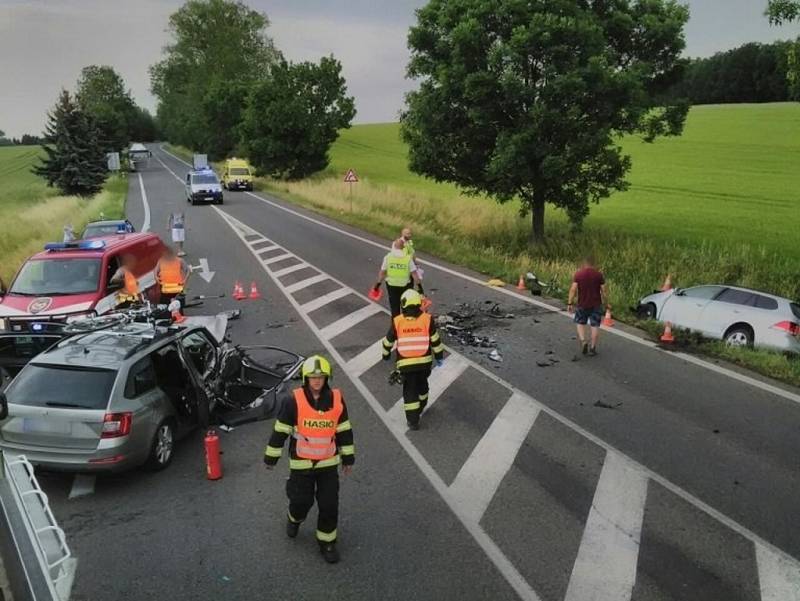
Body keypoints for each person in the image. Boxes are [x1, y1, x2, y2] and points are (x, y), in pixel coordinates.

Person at [264, 356, 355, 564]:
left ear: (326, 378)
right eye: (312, 377)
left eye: (320, 377)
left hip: (328, 465)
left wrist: (348, 458)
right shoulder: (292, 400)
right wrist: (271, 457)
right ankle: (294, 518)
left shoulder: (337, 399)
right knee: (301, 502)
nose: (316, 381)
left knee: (329, 505)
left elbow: (343, 430)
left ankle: (327, 543)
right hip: (301, 466)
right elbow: (281, 431)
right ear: (305, 379)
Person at [380, 289, 445, 430]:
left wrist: (385, 355)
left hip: (405, 365)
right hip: (424, 364)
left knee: (409, 391)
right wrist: (439, 357)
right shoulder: (427, 319)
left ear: (404, 305)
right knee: (423, 386)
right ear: (418, 304)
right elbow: (435, 341)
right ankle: (421, 405)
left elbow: (388, 341)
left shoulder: (398, 321)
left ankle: (413, 421)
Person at [567, 255, 609, 356]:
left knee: (580, 322)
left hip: (582, 304)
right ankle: (593, 347)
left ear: (584, 263)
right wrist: (607, 303)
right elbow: (604, 291)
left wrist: (570, 302)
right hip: (596, 304)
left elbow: (573, 289)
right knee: (594, 325)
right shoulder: (598, 275)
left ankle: (583, 341)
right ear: (593, 264)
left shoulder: (578, 274)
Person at [373, 239, 423, 317]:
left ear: (394, 247)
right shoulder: (408, 258)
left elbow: (382, 273)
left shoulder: (388, 257)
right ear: (403, 247)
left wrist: (377, 285)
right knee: (406, 306)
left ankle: (395, 325)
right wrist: (420, 288)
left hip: (392, 286)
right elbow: (414, 274)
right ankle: (405, 323)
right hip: (405, 286)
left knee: (394, 307)